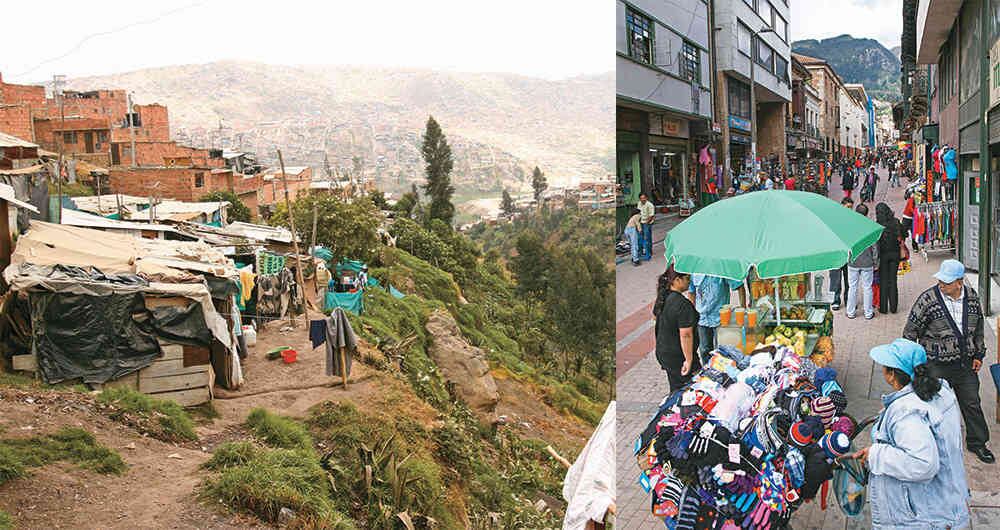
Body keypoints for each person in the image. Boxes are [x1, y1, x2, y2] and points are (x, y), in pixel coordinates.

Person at [849, 338, 970, 529]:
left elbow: (923, 463)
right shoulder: (940, 390)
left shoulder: (906, 412)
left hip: (923, 514)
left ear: (891, 375)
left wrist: (876, 455)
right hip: (946, 499)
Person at [903, 259, 994, 463]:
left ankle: (978, 443)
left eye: (947, 281)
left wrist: (979, 354)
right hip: (936, 365)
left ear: (959, 282)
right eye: (941, 280)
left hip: (964, 363)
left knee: (972, 402)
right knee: (931, 404)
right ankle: (928, 444)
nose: (941, 284)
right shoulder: (927, 300)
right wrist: (914, 364)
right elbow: (910, 332)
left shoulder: (972, 298)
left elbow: (978, 329)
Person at [653, 265, 699, 392]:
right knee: (688, 390)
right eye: (687, 278)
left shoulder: (664, 296)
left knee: (676, 387)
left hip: (665, 352)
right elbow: (686, 335)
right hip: (678, 355)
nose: (689, 281)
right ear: (677, 280)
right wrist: (689, 361)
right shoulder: (682, 304)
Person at [688, 274, 743, 364]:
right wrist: (691, 315)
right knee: (704, 350)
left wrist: (743, 308)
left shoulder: (721, 268)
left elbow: (739, 286)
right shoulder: (694, 271)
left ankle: (722, 373)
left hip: (721, 319)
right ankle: (708, 373)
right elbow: (691, 292)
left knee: (722, 351)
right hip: (702, 319)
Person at [846, 203, 877, 320]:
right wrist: (875, 262)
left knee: (852, 287)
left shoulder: (849, 227)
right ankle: (868, 313)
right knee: (867, 287)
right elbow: (874, 247)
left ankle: (850, 312)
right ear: (866, 213)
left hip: (853, 261)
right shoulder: (870, 227)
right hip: (867, 261)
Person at [875, 203, 903, 314]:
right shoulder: (895, 222)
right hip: (895, 254)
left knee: (883, 281)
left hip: (883, 255)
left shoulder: (877, 224)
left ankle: (883, 308)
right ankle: (893, 307)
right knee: (893, 280)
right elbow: (903, 234)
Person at [829, 196, 855, 310]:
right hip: (836, 254)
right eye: (848, 207)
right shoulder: (834, 219)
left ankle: (848, 299)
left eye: (851, 207)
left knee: (849, 279)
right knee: (835, 278)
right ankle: (835, 300)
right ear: (842, 205)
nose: (849, 209)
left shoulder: (853, 219)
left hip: (848, 255)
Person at [638, 194, 655, 261]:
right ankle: (641, 253)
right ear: (639, 199)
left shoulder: (650, 205)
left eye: (644, 198)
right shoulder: (639, 203)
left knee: (647, 238)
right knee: (640, 238)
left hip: (647, 223)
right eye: (641, 198)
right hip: (641, 222)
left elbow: (651, 216)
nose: (643, 199)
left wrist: (646, 224)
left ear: (646, 198)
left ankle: (649, 253)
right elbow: (638, 213)